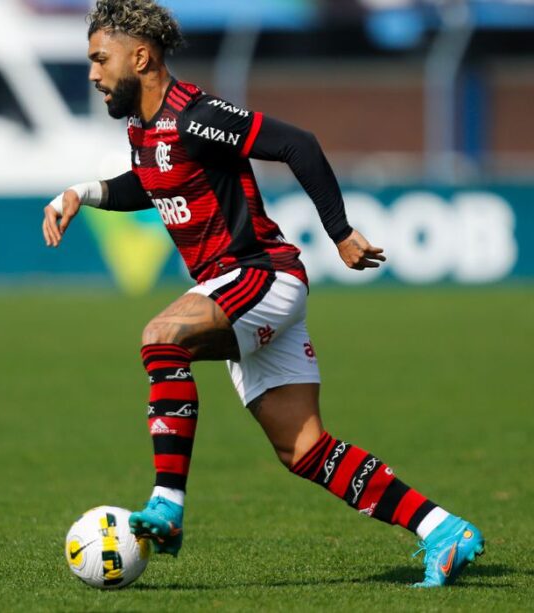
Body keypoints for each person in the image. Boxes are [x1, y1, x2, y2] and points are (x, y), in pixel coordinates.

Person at [41, 0, 482, 588]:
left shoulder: (195, 114)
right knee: (304, 450)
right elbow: (149, 184)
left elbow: (297, 143)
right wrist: (82, 193)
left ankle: (167, 505)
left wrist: (341, 233)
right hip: (233, 287)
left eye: (101, 59)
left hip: (260, 274)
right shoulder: (142, 128)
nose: (93, 72)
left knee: (161, 338)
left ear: (140, 57)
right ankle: (443, 530)